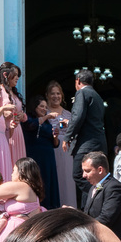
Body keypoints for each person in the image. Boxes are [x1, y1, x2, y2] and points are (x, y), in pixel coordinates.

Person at [68, 70, 108, 206]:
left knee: (79, 175)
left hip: (86, 145)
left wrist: (67, 137)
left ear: (78, 81)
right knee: (92, 178)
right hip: (98, 143)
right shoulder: (97, 96)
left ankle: (100, 195)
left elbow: (77, 117)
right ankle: (89, 209)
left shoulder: (82, 93)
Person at [21, 94, 62, 210]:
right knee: (38, 180)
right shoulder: (28, 118)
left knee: (49, 181)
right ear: (34, 107)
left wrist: (55, 137)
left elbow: (55, 144)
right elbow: (31, 126)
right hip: (35, 156)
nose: (44, 109)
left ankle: (50, 207)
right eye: (41, 107)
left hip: (48, 157)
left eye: (45, 107)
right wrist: (47, 116)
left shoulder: (47, 123)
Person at [80, 152, 121, 242]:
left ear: (100, 170)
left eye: (87, 171)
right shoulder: (93, 187)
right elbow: (89, 215)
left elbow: (105, 219)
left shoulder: (114, 188)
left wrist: (81, 225)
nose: (84, 175)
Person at [44, 80, 78, 208]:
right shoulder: (43, 112)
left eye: (58, 93)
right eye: (52, 93)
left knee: (67, 181)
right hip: (50, 150)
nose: (56, 96)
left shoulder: (68, 114)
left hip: (65, 151)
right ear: (47, 95)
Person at [0, 62, 28, 164]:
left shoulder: (14, 92)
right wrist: (3, 114)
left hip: (17, 131)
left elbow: (24, 116)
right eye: (14, 75)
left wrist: (22, 116)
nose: (17, 78)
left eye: (18, 75)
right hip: (6, 130)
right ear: (6, 75)